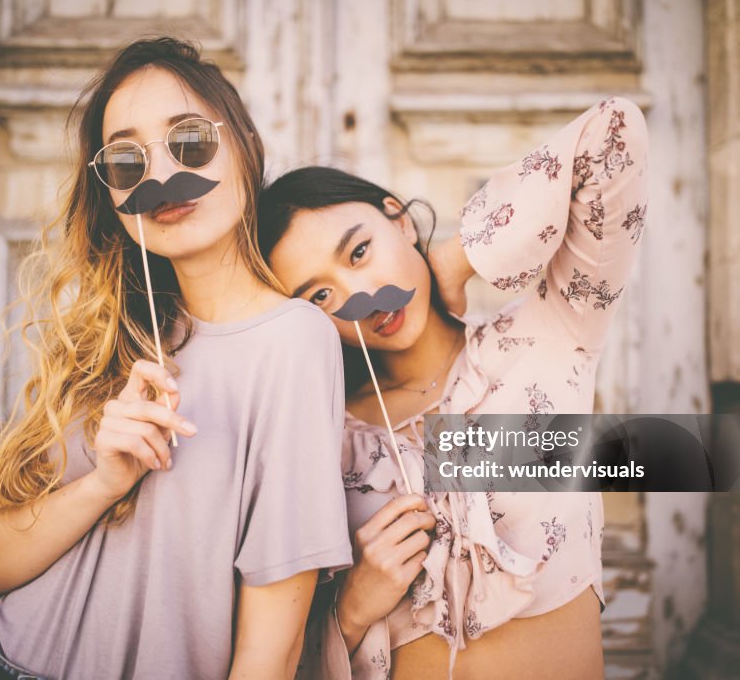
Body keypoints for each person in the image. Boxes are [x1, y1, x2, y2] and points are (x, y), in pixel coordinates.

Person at [0, 37, 351, 680]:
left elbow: (270, 649)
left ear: (243, 141)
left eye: (188, 140)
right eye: (128, 160)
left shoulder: (296, 340)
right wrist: (104, 482)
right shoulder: (106, 340)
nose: (159, 175)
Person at [258, 96, 649, 678]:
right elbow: (267, 646)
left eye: (360, 251)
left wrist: (459, 258)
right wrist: (352, 606)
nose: (360, 295)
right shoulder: (321, 438)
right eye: (319, 295)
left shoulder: (550, 335)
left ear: (400, 219)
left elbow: (614, 132)